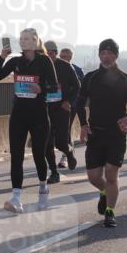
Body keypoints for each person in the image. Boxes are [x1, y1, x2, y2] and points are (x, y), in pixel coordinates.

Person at [0, 28, 58, 213]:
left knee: (39, 155)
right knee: (16, 156)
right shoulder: (15, 61)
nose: (23, 41)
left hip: (38, 114)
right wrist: (1, 57)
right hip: (19, 114)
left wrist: (41, 89)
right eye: (21, 39)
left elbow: (53, 86)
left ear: (36, 41)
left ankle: (43, 189)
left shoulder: (44, 61)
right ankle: (16, 198)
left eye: (27, 39)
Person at [75, 39, 127, 227]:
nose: (106, 56)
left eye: (110, 52)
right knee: (94, 176)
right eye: (103, 52)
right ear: (99, 55)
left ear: (116, 55)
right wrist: (83, 125)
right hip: (96, 133)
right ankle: (104, 191)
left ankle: (110, 212)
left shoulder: (126, 80)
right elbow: (79, 103)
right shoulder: (90, 78)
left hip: (116, 134)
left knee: (112, 174)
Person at [43, 40, 80, 183]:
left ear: (55, 53)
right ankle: (54, 172)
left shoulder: (65, 66)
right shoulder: (40, 66)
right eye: (45, 53)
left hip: (61, 109)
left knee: (60, 143)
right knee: (47, 143)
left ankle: (69, 153)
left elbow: (77, 87)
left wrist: (68, 101)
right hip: (45, 108)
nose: (48, 56)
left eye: (50, 53)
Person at [59, 46, 86, 164]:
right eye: (62, 57)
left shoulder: (77, 70)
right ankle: (69, 152)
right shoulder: (55, 68)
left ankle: (66, 156)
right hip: (55, 105)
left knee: (66, 129)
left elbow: (83, 89)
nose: (64, 59)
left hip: (71, 105)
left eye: (67, 57)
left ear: (71, 57)